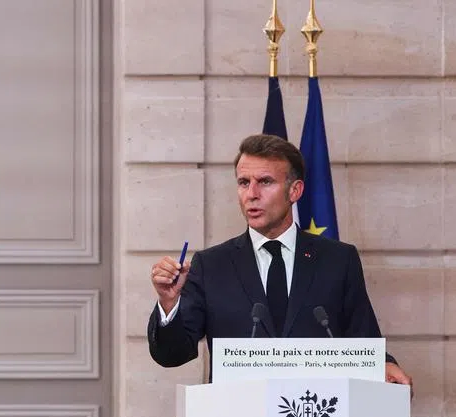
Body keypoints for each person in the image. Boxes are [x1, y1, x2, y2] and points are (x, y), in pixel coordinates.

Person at [147, 133, 413, 390]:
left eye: (265, 182)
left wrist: (385, 365)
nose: (251, 194)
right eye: (243, 182)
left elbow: (362, 338)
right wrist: (169, 303)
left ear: (294, 190)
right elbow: (172, 355)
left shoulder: (338, 260)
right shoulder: (211, 265)